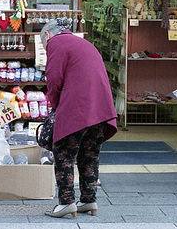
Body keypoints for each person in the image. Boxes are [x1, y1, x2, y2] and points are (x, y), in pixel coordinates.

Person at [40, 19, 118, 218]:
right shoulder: (83, 43)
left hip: (78, 108)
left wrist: (55, 107)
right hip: (100, 108)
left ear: (48, 35)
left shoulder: (56, 43)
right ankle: (88, 200)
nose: (45, 48)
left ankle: (67, 202)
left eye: (43, 44)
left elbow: (54, 78)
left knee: (63, 152)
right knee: (89, 155)